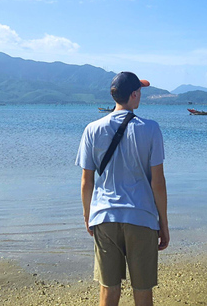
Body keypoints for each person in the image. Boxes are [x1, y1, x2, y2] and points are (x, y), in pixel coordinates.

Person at [76, 71, 170, 306]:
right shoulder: (151, 129)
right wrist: (164, 224)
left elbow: (87, 182)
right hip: (142, 217)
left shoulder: (92, 129)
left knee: (109, 291)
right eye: (140, 92)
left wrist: (88, 216)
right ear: (135, 94)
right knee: (142, 292)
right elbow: (157, 183)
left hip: (105, 216)